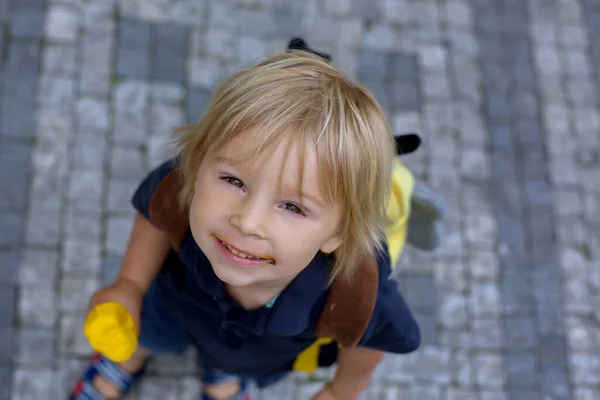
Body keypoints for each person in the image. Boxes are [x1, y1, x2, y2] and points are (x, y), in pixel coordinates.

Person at [69, 49, 421, 400]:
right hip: (174, 302)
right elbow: (155, 217)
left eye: (293, 207)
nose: (248, 221)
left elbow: (368, 340)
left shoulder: (355, 288)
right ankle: (131, 355)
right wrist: (129, 285)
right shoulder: (184, 186)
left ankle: (223, 375)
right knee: (149, 329)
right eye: (234, 181)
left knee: (235, 360)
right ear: (196, 164)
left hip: (254, 351)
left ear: (339, 233)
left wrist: (340, 392)